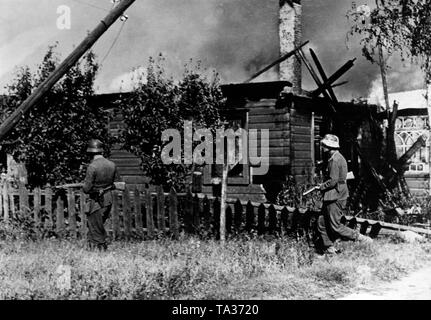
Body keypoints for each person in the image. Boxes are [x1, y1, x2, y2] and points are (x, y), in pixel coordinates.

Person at [317, 134, 372, 255]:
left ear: (329, 146)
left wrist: (321, 187)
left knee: (335, 226)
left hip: (335, 196)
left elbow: (332, 181)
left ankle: (362, 238)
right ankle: (329, 248)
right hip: (332, 195)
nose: (322, 147)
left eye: (324, 145)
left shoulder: (335, 159)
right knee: (321, 222)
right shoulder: (334, 157)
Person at [83, 139, 121, 251]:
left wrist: (84, 185)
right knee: (97, 225)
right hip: (108, 200)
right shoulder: (112, 165)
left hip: (96, 202)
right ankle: (91, 250)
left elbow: (86, 189)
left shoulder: (92, 166)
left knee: (95, 226)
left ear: (90, 152)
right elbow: (116, 182)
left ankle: (101, 250)